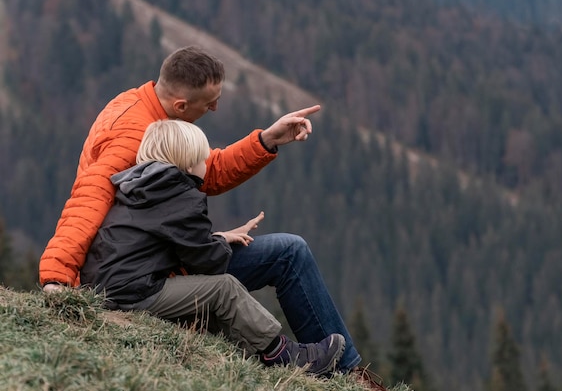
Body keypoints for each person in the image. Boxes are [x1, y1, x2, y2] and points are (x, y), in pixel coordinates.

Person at [38, 46, 369, 377]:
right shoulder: (130, 134)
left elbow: (205, 173)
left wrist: (268, 140)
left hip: (154, 262)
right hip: (144, 281)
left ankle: (343, 370)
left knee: (288, 251)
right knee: (285, 255)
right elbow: (88, 199)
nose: (215, 107)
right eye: (210, 102)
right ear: (181, 105)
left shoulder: (152, 114)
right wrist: (57, 276)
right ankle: (337, 372)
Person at [80, 119, 345, 374]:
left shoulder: (140, 186)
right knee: (223, 288)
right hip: (132, 293)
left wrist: (216, 237)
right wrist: (218, 242)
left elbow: (171, 240)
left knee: (207, 293)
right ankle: (282, 354)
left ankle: (253, 351)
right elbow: (207, 261)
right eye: (202, 159)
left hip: (107, 287)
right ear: (187, 163)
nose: (206, 165)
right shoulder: (179, 196)